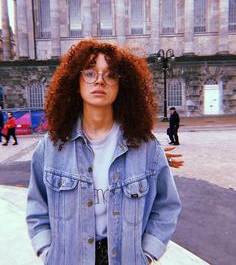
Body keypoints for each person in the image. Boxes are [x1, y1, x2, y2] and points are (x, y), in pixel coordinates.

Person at [26, 39, 181, 265]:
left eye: (110, 75)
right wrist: (47, 250)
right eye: (89, 73)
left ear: (121, 84)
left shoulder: (146, 147)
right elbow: (36, 206)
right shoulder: (51, 147)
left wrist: (147, 254)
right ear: (75, 81)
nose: (99, 80)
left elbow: (166, 205)